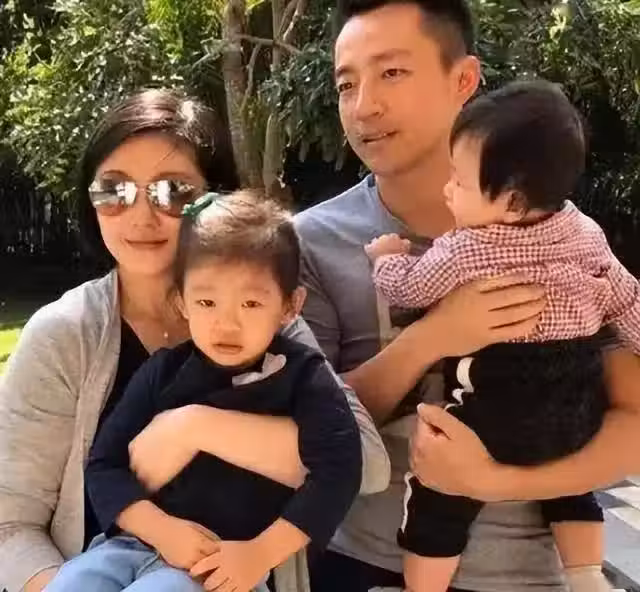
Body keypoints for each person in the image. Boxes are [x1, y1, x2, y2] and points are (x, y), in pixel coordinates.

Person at [294, 1, 640, 591]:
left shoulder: (562, 234)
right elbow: (302, 428)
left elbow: (633, 422)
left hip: (534, 574)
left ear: (463, 79)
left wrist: (495, 482)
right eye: (346, 83)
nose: (364, 106)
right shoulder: (312, 241)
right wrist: (434, 337)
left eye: (391, 72)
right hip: (366, 564)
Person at [0, 89, 390, 592]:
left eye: (173, 191)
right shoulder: (64, 334)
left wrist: (193, 427)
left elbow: (365, 464)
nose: (141, 216)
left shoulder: (268, 323)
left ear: (216, 202)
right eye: (114, 190)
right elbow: (10, 524)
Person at [366, 79, 640, 592]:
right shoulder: (586, 234)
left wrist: (386, 259)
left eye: (459, 181)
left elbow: (410, 287)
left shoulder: (468, 248)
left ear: (511, 203)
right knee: (573, 487)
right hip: (574, 407)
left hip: (495, 412)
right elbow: (626, 299)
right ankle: (585, 576)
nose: (448, 190)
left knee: (438, 493)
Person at [43, 191, 363, 592]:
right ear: (182, 302)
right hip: (132, 545)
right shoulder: (164, 371)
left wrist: (261, 554)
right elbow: (105, 464)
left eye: (250, 304)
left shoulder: (304, 377)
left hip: (225, 564)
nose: (226, 324)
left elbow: (339, 472)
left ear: (290, 306)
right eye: (207, 302)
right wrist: (161, 531)